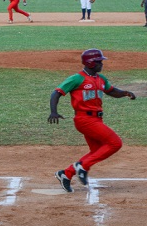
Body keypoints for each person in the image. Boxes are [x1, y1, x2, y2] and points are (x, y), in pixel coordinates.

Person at [48, 49, 136, 193]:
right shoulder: (77, 79)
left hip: (96, 119)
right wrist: (53, 111)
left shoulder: (101, 79)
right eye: (99, 62)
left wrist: (125, 93)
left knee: (97, 151)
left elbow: (112, 91)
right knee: (115, 143)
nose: (101, 64)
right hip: (84, 119)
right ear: (90, 63)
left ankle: (66, 173)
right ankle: (82, 166)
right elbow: (56, 93)